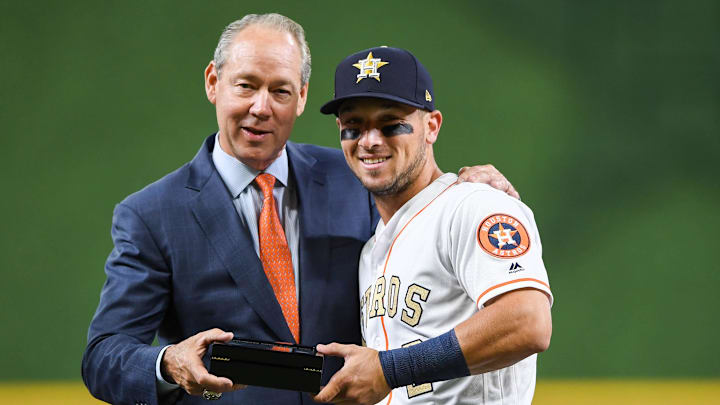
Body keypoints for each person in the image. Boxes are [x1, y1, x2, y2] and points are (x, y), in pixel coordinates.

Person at [81, 14, 520, 405]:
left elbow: (418, 189)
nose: (261, 107)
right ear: (214, 82)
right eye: (246, 85)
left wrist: (465, 183)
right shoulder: (152, 214)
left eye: (280, 90)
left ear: (303, 97)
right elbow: (103, 356)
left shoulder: (358, 176)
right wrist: (169, 362)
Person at [312, 46, 553, 405]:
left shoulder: (472, 205)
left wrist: (388, 370)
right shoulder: (371, 249)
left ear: (432, 126)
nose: (370, 140)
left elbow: (527, 321)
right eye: (353, 127)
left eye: (390, 123)